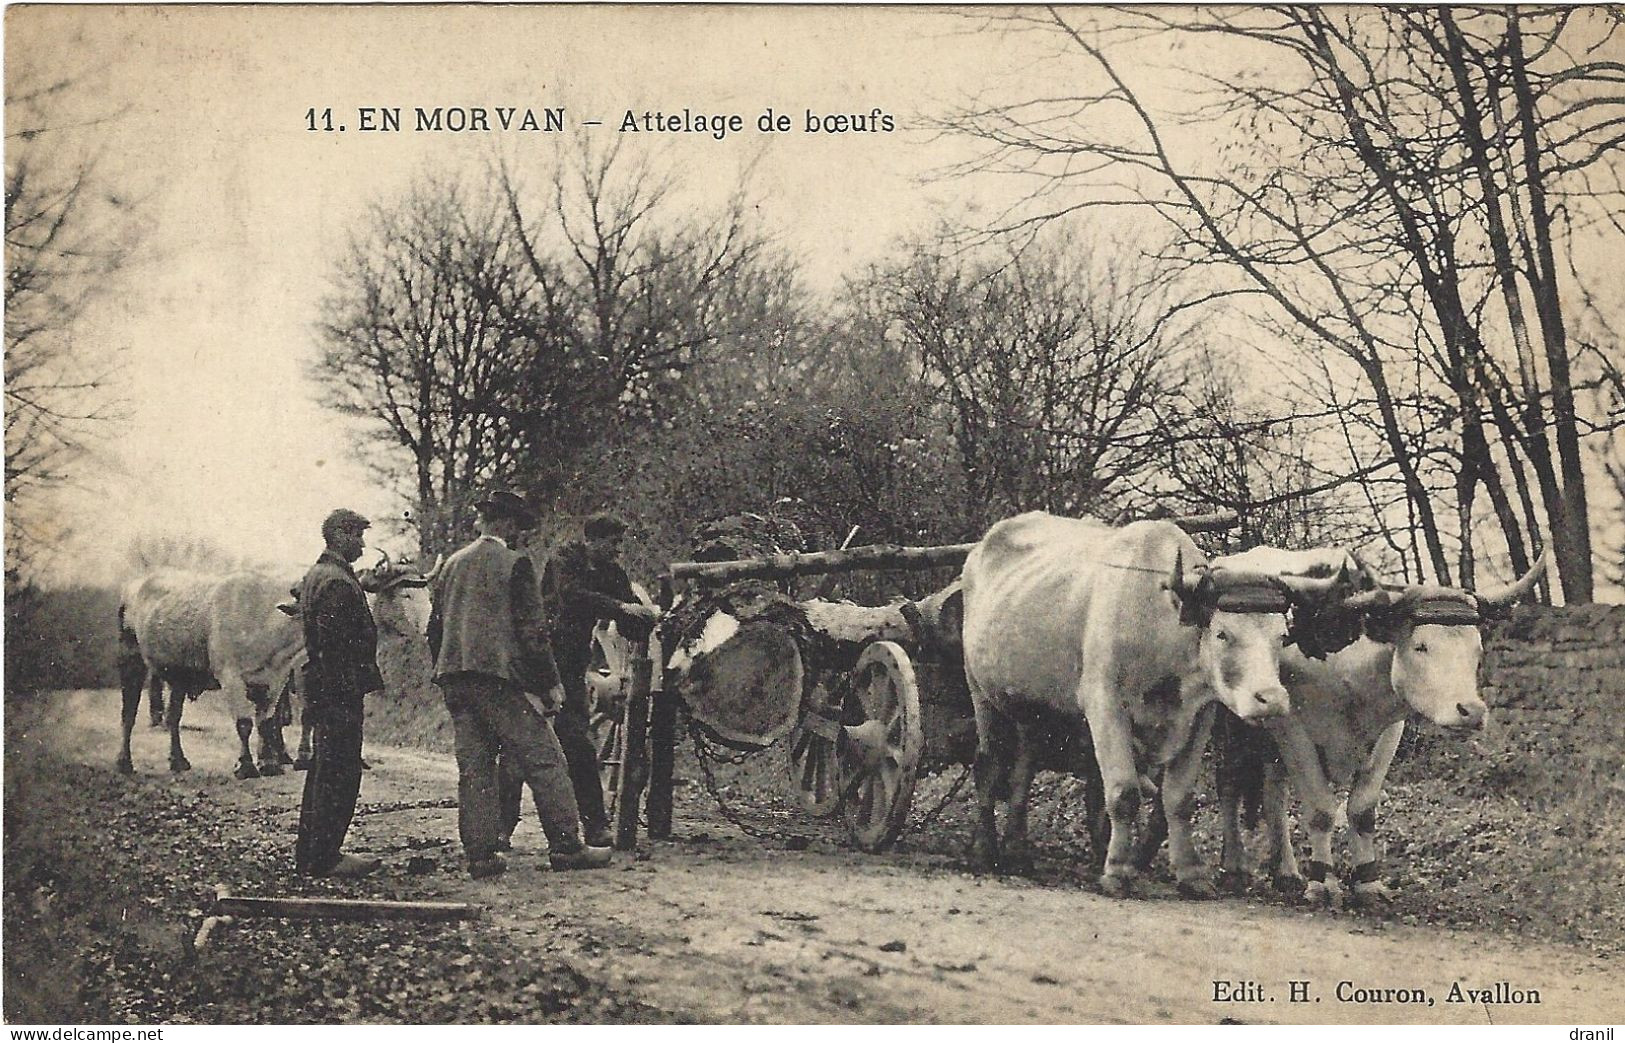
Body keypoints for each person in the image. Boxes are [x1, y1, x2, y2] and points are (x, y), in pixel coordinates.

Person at [427, 489, 612, 879]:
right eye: (519, 527)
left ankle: (481, 856)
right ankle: (566, 846)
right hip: (498, 681)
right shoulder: (515, 564)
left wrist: (445, 672)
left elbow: (435, 628)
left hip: (455, 680)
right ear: (508, 524)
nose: (520, 535)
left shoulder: (451, 565)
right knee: (546, 759)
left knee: (475, 768)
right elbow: (533, 634)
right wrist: (549, 684)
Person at [500, 512, 658, 848]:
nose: (618, 550)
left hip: (571, 668)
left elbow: (629, 617)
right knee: (518, 748)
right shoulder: (566, 559)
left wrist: (646, 617)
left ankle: (595, 826)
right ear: (593, 540)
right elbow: (570, 594)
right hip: (537, 662)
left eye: (619, 542)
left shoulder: (612, 572)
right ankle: (502, 828)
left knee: (579, 746)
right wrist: (621, 607)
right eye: (612, 542)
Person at [295, 508, 385, 877]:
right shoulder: (336, 582)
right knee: (339, 772)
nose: (362, 544)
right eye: (357, 535)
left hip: (328, 691)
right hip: (339, 691)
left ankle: (312, 854)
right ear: (338, 535)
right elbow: (335, 648)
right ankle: (325, 857)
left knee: (323, 771)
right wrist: (348, 690)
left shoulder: (320, 575)